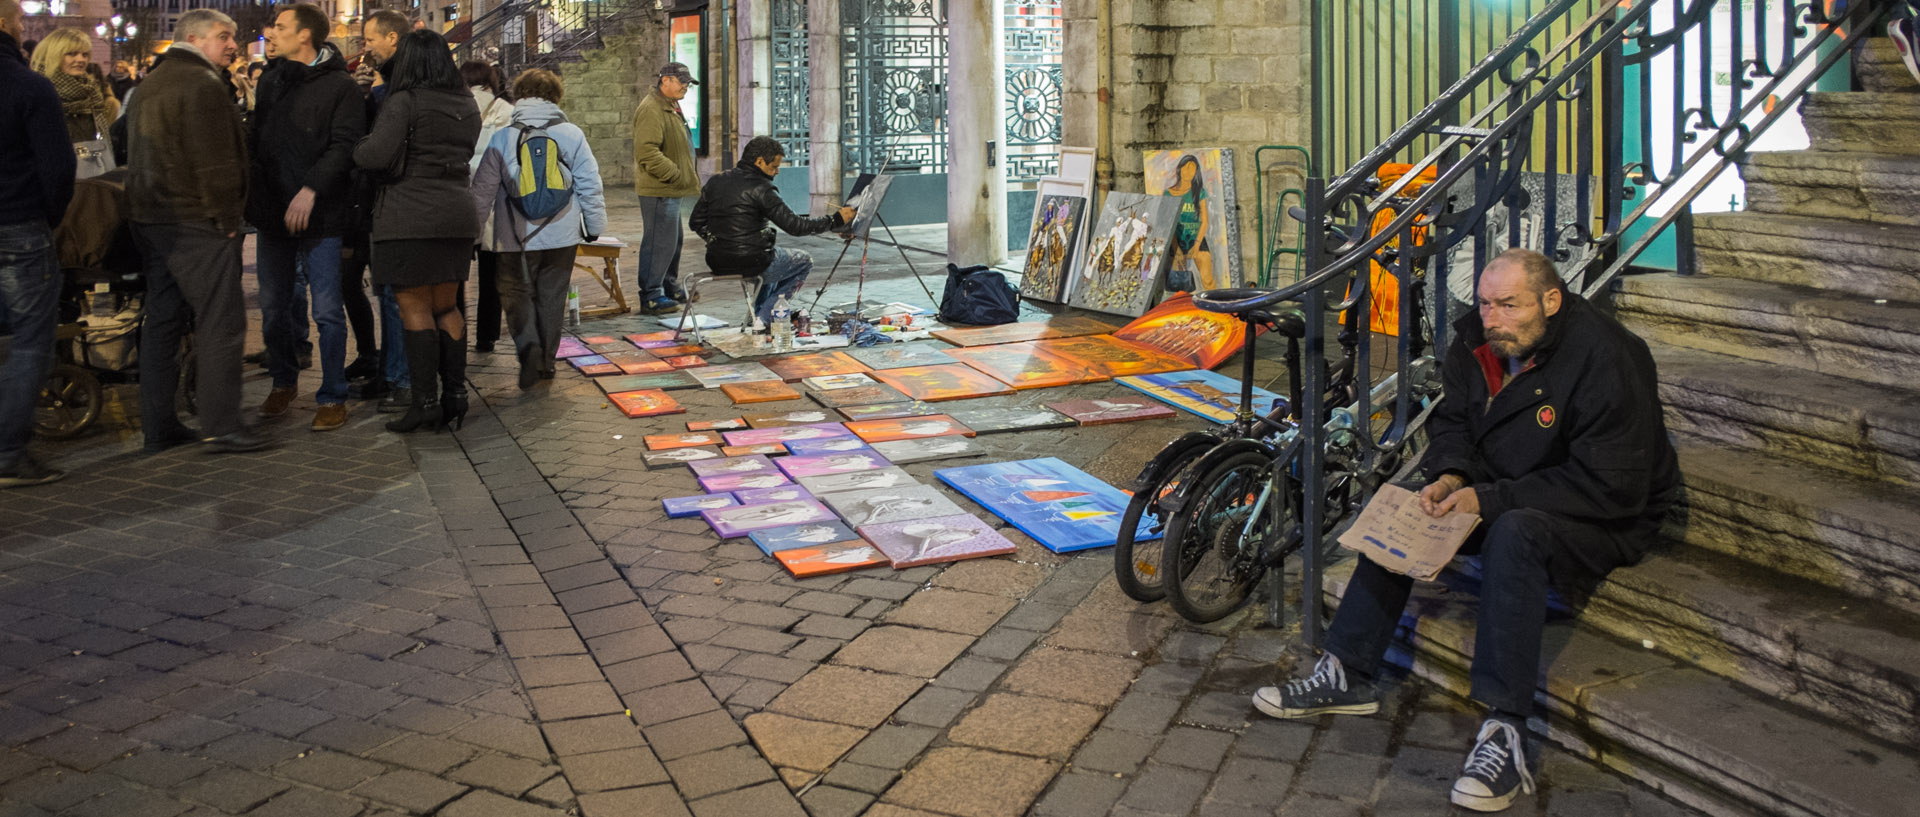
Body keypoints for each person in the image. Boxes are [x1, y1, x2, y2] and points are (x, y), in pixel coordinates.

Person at [1253, 249, 1680, 813]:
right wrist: (1450, 474)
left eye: (1509, 304)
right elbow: (1454, 422)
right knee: (1406, 506)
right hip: (1505, 487)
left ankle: (1505, 730)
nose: (1492, 317)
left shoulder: (1607, 356)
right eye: (1485, 303)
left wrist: (1489, 496)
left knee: (1517, 533)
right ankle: (1348, 672)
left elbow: (1610, 483)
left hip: (1599, 513)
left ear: (1551, 302)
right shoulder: (1477, 344)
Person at [126, 8, 270, 453]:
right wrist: (227, 221)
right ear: (195, 37)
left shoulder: (152, 82)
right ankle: (222, 423)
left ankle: (160, 423)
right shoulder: (202, 83)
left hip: (152, 218)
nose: (233, 45)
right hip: (194, 220)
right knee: (221, 321)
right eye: (224, 37)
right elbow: (216, 162)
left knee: (164, 321)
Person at [352, 28, 481, 433]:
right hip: (456, 214)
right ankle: (455, 396)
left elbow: (375, 155)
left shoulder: (404, 100)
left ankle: (425, 402)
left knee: (414, 306)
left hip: (409, 214)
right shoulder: (467, 102)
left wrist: (357, 146)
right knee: (447, 305)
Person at [247, 2, 366, 432]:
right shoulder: (270, 80)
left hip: (322, 214)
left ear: (305, 36)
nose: (270, 34)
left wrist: (311, 190)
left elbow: (345, 146)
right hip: (273, 212)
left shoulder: (341, 87)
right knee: (275, 306)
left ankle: (332, 394)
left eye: (279, 28)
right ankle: (283, 380)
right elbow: (260, 143)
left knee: (328, 311)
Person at [470, 67, 606, 390]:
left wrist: (474, 234)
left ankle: (527, 345)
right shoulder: (572, 134)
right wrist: (594, 226)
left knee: (516, 293)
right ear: (555, 97)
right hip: (561, 235)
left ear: (518, 96)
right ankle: (546, 362)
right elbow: (590, 183)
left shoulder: (503, 137)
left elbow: (482, 192)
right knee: (552, 296)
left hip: (514, 237)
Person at [0, 0, 79, 487]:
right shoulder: (29, 86)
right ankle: (7, 451)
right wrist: (46, 216)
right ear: (10, 25)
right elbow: (58, 167)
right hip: (19, 225)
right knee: (30, 342)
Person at [688, 136, 853, 327]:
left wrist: (717, 241)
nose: (777, 171)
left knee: (776, 257)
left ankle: (759, 314)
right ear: (759, 161)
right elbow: (795, 226)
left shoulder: (715, 181)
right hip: (753, 261)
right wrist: (835, 220)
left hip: (717, 260)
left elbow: (695, 222)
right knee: (803, 261)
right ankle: (764, 319)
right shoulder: (762, 189)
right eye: (773, 166)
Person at [351, 8, 413, 412]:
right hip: (387, 201)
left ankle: (401, 379)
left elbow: (379, 146)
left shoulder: (399, 85)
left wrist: (373, 95)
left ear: (393, 38)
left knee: (396, 296)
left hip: (399, 202)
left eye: (371, 38)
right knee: (388, 292)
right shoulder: (387, 82)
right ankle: (391, 373)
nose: (366, 46)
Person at [630, 61, 701, 314]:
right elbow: (647, 152)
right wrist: (674, 174)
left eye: (687, 83)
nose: (685, 87)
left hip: (671, 188)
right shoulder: (652, 109)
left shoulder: (670, 105)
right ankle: (650, 294)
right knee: (659, 241)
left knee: (673, 240)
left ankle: (668, 284)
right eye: (681, 82)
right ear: (665, 81)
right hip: (660, 188)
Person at [462, 59, 512, 354]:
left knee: (455, 277)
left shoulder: (454, 108)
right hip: (495, 204)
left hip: (460, 201)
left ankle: (453, 336)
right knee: (492, 276)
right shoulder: (507, 112)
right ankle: (486, 336)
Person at [31, 28, 113, 146]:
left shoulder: (91, 92)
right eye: (72, 54)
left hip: (90, 162)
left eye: (84, 55)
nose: (81, 60)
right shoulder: (37, 92)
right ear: (53, 56)